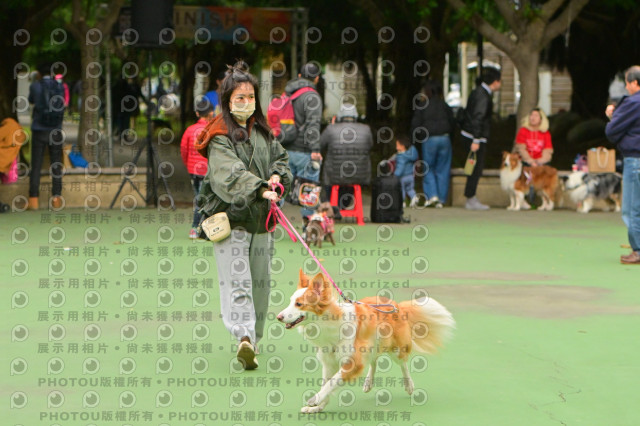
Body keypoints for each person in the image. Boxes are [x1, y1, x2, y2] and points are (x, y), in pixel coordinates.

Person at [194, 61, 292, 368]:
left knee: (260, 283)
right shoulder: (218, 135)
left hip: (262, 220)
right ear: (227, 100)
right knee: (238, 282)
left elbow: (281, 159)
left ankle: (254, 339)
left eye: (250, 97)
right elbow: (228, 174)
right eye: (240, 97)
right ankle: (244, 337)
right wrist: (260, 188)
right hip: (231, 218)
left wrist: (277, 177)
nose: (246, 102)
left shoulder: (263, 131)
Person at [605, 65, 640, 264]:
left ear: (635, 83)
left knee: (632, 208)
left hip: (635, 159)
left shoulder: (633, 102)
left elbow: (612, 130)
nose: (626, 87)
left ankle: (638, 250)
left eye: (627, 82)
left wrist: (613, 116)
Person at [283, 62, 324, 222]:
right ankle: (308, 224)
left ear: (299, 76)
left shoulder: (288, 94)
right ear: (316, 78)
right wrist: (315, 150)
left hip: (285, 148)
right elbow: (313, 124)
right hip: (304, 150)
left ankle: (269, 221)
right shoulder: (312, 97)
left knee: (280, 187)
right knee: (309, 188)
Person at [459, 67, 502, 210]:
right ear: (495, 82)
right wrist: (476, 139)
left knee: (471, 167)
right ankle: (470, 197)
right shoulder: (483, 96)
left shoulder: (477, 92)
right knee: (475, 168)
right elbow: (478, 117)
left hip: (469, 134)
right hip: (474, 137)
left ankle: (470, 196)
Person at [411, 79, 455, 208]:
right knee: (443, 168)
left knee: (428, 167)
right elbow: (453, 122)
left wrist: (415, 141)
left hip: (429, 138)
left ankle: (432, 195)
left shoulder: (422, 106)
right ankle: (441, 198)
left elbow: (415, 125)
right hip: (445, 138)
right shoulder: (445, 105)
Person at [28, 63, 65, 210]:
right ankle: (56, 198)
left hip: (39, 129)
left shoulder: (35, 86)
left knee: (36, 165)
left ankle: (33, 200)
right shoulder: (60, 86)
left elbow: (31, 100)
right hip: (55, 130)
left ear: (38, 74)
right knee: (56, 164)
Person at [319, 102, 372, 206]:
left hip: (334, 176)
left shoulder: (331, 129)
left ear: (339, 115)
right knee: (348, 185)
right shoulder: (366, 129)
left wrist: (332, 126)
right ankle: (343, 205)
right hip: (359, 175)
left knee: (331, 183)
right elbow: (370, 146)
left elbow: (320, 145)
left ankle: (331, 205)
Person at [180, 99, 214, 239]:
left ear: (197, 113)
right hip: (209, 171)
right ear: (211, 113)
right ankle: (199, 228)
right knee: (208, 200)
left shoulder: (190, 130)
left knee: (199, 199)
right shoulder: (213, 130)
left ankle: (198, 228)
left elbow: (184, 150)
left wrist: (188, 164)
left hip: (194, 171)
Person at [394, 135, 419, 207]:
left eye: (397, 145)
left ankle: (402, 202)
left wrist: (395, 175)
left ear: (402, 146)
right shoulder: (411, 155)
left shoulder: (401, 156)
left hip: (403, 177)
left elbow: (400, 167)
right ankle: (414, 197)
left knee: (401, 189)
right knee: (410, 189)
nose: (396, 148)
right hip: (411, 176)